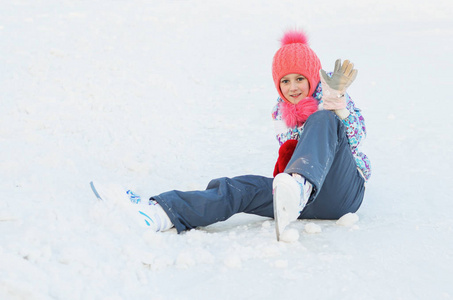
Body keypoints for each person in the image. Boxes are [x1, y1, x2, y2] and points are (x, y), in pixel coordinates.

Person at [90, 29, 371, 240]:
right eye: (285, 80)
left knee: (322, 120)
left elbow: (357, 138)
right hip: (302, 202)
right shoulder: (280, 114)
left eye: (300, 78)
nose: (293, 87)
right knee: (240, 188)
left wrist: (338, 105)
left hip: (344, 193)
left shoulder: (330, 99)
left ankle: (298, 186)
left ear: (312, 78)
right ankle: (159, 214)